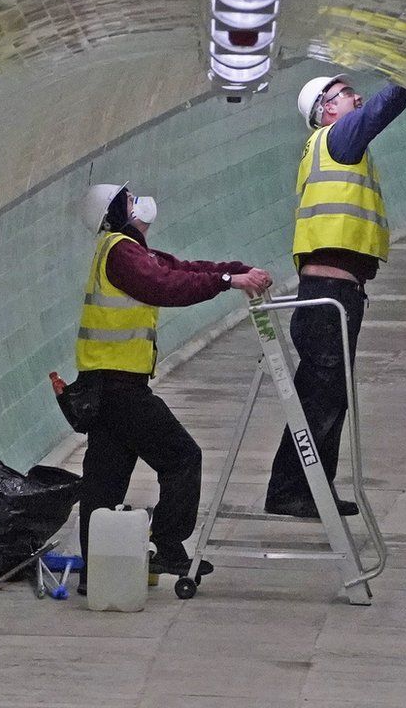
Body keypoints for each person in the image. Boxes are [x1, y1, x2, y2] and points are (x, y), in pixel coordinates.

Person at [74, 182, 272, 584]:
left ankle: (97, 572)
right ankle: (167, 546)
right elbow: (166, 286)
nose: (138, 204)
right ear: (115, 214)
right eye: (129, 202)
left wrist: (233, 271)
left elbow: (181, 269)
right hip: (119, 388)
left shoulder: (127, 251)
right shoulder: (122, 253)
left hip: (105, 387)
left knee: (104, 480)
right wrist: (227, 283)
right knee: (182, 457)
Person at [264, 73, 406, 518]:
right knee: (323, 398)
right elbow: (382, 109)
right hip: (327, 298)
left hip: (331, 296)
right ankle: (296, 491)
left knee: (324, 396)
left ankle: (304, 488)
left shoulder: (327, 149)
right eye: (346, 94)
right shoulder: (338, 138)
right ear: (326, 109)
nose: (356, 97)